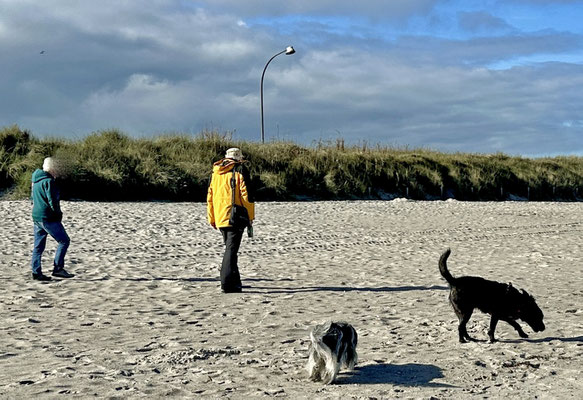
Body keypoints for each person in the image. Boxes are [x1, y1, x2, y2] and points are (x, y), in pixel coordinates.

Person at [207, 148, 255, 293]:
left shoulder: (215, 172)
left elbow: (210, 197)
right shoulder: (240, 170)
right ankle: (227, 283)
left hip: (220, 215)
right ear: (239, 158)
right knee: (231, 250)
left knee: (231, 249)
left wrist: (212, 217)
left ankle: (235, 282)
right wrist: (250, 217)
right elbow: (246, 195)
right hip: (235, 215)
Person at [30, 157, 74, 281]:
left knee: (38, 246)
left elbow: (32, 198)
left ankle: (36, 272)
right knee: (64, 241)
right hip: (48, 217)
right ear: (53, 168)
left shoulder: (35, 180)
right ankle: (58, 269)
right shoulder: (49, 181)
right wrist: (58, 214)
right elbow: (52, 201)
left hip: (37, 216)